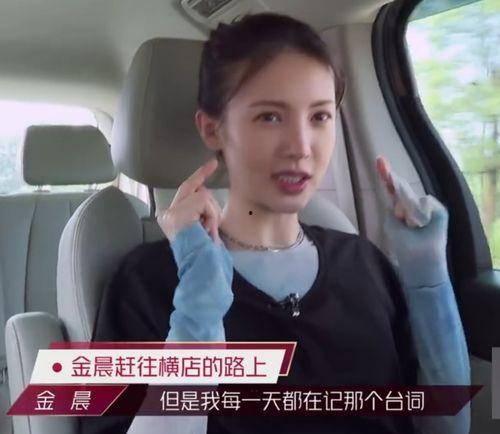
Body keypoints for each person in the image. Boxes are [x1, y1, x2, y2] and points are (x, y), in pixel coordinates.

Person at [82, 13, 470, 434]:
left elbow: (443, 426)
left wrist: (429, 282)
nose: (301, 147)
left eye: (319, 117)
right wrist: (196, 319)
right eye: (270, 116)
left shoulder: (366, 265)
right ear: (213, 129)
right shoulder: (146, 282)